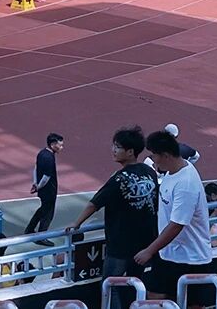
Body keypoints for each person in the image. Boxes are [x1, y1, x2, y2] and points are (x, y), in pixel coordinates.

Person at [68, 126, 158, 309]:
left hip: (120, 245)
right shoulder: (149, 172)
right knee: (135, 282)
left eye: (117, 147)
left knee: (109, 285)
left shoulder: (119, 178)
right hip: (145, 243)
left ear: (130, 151)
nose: (113, 150)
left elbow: (95, 203)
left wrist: (77, 223)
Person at [134, 129, 212, 301]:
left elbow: (177, 225)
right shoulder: (172, 172)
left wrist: (149, 250)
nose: (152, 159)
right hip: (168, 253)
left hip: (190, 258)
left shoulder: (185, 184)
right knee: (155, 297)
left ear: (166, 155)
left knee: (190, 303)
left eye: (154, 155)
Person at [24, 133, 64, 244]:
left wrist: (35, 183)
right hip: (49, 191)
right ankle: (41, 237)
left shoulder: (41, 153)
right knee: (48, 215)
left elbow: (36, 168)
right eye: (60, 145)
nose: (62, 147)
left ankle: (29, 229)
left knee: (42, 209)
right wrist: (38, 186)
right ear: (53, 145)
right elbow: (46, 177)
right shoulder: (50, 158)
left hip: (43, 190)